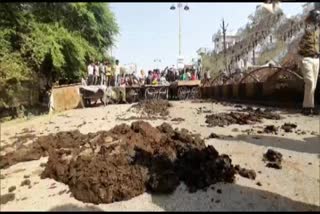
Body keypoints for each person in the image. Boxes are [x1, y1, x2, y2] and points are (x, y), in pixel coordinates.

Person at [298, 9, 320, 115]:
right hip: (306, 58)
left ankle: (307, 107)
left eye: (319, 16)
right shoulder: (304, 29)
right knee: (310, 82)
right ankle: (308, 106)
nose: (318, 17)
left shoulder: (318, 30)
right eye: (316, 15)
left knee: (313, 85)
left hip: (316, 59)